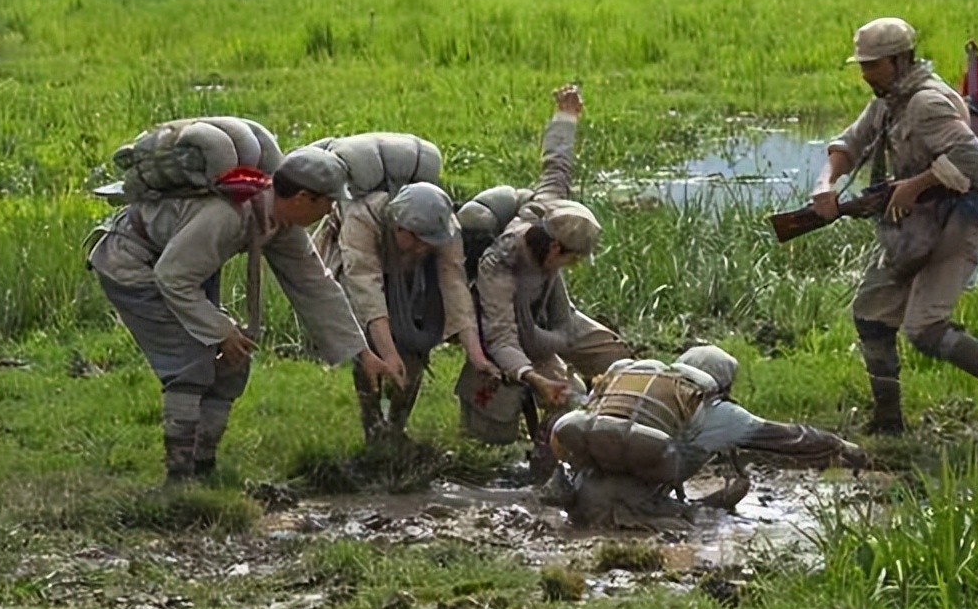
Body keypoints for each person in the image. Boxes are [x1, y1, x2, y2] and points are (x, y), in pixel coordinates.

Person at [87, 144, 398, 482]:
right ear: (303, 198)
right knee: (192, 361)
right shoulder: (228, 216)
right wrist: (221, 330)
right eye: (327, 202)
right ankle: (179, 479)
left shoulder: (280, 222)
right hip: (133, 264)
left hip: (184, 269)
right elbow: (172, 277)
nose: (330, 209)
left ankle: (204, 468)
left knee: (234, 362)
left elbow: (316, 287)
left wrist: (362, 353)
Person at [810, 17, 978, 435]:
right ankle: (888, 421)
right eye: (864, 65)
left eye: (874, 65)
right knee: (871, 314)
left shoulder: (927, 103)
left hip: (954, 223)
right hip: (909, 230)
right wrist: (825, 184)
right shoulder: (889, 101)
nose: (866, 74)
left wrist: (917, 185)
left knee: (924, 327)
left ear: (901, 61)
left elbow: (970, 157)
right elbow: (850, 143)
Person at [548, 345, 865, 528]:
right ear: (722, 385)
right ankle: (690, 509)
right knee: (707, 524)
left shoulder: (634, 385)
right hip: (638, 507)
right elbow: (792, 439)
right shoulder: (719, 412)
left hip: (579, 500)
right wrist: (843, 446)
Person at [464, 85, 631, 430]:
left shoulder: (550, 208)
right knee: (569, 398)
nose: (574, 266)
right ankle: (553, 458)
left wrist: (565, 115)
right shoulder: (500, 265)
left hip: (557, 321)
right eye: (573, 259)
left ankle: (627, 415)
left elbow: (556, 167)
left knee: (621, 363)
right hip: (519, 339)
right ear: (555, 249)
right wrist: (534, 378)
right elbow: (502, 338)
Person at [332, 180, 499, 444]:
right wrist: (387, 352)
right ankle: (373, 427)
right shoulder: (363, 220)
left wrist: (476, 355)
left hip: (413, 281)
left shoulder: (444, 227)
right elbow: (366, 290)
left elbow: (454, 286)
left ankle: (396, 430)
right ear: (400, 227)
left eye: (430, 243)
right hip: (363, 275)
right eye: (420, 241)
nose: (425, 248)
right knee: (371, 348)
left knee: (412, 353)